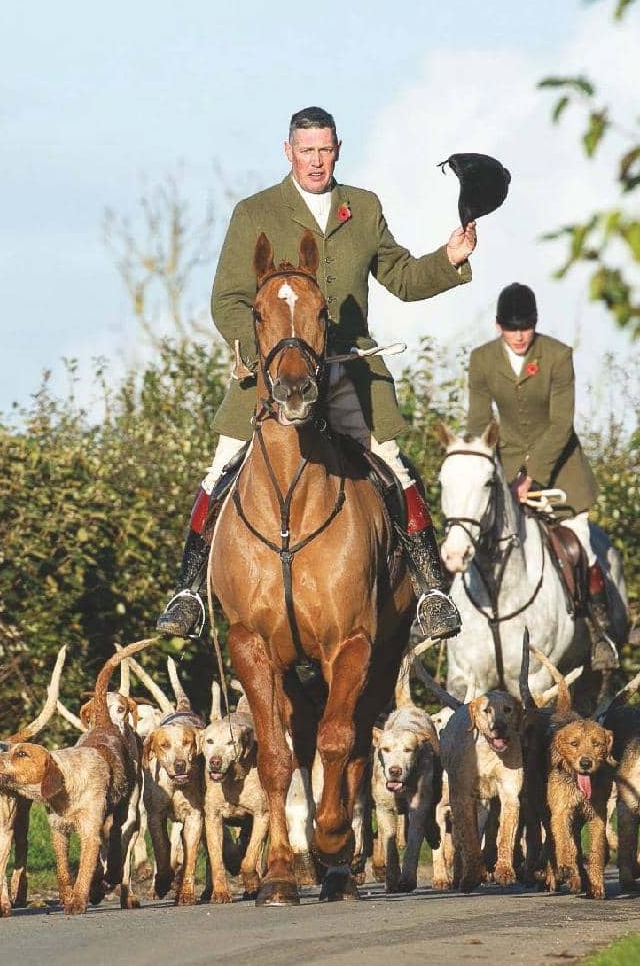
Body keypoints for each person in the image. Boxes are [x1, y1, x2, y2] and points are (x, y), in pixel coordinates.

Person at [156, 105, 477, 641]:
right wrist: (262, 358)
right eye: (306, 150)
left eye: (325, 150)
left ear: (337, 150)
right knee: (219, 470)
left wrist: (449, 256)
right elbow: (228, 299)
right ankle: (188, 591)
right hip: (274, 371)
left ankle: (431, 592)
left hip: (348, 366)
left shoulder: (363, 206)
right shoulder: (254, 211)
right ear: (288, 152)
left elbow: (400, 276)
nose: (316, 161)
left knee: (395, 465)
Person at [466, 282, 618, 669]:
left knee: (578, 544)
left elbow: (562, 424)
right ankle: (461, 622)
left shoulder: (557, 356)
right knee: (470, 530)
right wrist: (479, 466)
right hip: (506, 470)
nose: (519, 336)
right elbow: (479, 422)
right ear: (499, 325)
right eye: (512, 328)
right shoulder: (482, 360)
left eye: (526, 327)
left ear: (535, 324)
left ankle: (599, 633)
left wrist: (531, 476)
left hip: (562, 470)